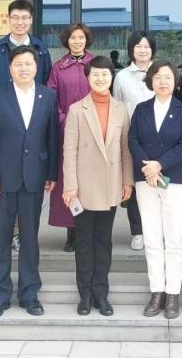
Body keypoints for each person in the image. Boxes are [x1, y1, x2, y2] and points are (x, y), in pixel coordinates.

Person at [0, 45, 59, 319]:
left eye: (28, 64)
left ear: (36, 67)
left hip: (34, 177)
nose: (24, 68)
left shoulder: (48, 96)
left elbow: (52, 137)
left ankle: (29, 294)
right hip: (3, 180)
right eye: (18, 64)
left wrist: (52, 173)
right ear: (10, 69)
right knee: (1, 238)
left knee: (29, 238)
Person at [0, 0, 52, 255]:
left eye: (25, 18)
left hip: (30, 122)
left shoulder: (41, 49)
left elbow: (46, 84)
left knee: (26, 180)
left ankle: (19, 234)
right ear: (8, 19)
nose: (20, 22)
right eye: (16, 18)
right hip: (1, 119)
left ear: (31, 20)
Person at [61, 56, 134, 316]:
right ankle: (85, 295)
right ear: (88, 78)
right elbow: (69, 151)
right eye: (95, 75)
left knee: (103, 242)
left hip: (110, 184)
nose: (100, 79)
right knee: (83, 242)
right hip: (83, 187)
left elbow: (126, 150)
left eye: (105, 74)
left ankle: (101, 294)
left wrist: (127, 181)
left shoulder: (121, 109)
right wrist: (70, 186)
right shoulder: (76, 110)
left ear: (112, 77)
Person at [128, 59, 182, 319]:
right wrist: (148, 168)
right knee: (152, 238)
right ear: (151, 81)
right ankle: (157, 291)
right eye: (157, 77)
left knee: (174, 239)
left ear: (175, 81)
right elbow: (132, 140)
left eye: (167, 77)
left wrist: (160, 164)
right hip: (146, 180)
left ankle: (173, 292)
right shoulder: (141, 109)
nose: (163, 81)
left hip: (174, 179)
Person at [47, 23, 94, 253]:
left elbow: (104, 92)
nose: (77, 41)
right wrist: (65, 121)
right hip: (66, 131)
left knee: (90, 180)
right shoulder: (58, 68)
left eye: (81, 38)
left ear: (86, 40)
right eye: (73, 38)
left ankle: (88, 229)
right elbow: (51, 99)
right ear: (67, 41)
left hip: (93, 131)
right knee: (69, 180)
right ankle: (71, 231)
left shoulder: (95, 64)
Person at [112, 30, 156, 251]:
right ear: (131, 50)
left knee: (157, 183)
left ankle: (155, 230)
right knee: (135, 184)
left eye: (147, 46)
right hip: (131, 138)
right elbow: (117, 106)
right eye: (138, 46)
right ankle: (137, 232)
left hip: (158, 138)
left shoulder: (160, 72)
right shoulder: (121, 77)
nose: (142, 50)